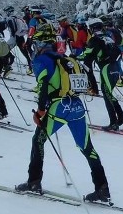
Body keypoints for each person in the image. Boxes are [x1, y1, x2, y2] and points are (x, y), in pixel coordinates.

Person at [15, 28, 111, 204]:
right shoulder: (66, 59)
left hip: (58, 107)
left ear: (42, 44)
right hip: (77, 106)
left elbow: (43, 84)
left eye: (36, 44)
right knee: (86, 147)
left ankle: (34, 182)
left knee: (38, 140)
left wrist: (40, 109)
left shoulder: (42, 60)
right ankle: (102, 188)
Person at [79, 18, 123, 131]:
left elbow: (85, 55)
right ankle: (121, 116)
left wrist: (73, 57)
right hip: (115, 67)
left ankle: (113, 122)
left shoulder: (94, 39)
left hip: (106, 68)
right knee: (109, 93)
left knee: (106, 94)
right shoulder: (108, 37)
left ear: (92, 28)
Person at [3, 6, 32, 74]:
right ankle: (31, 66)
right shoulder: (16, 17)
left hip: (14, 37)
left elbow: (13, 29)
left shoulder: (10, 19)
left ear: (8, 12)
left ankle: (8, 65)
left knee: (4, 50)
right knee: (25, 52)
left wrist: (13, 35)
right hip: (20, 37)